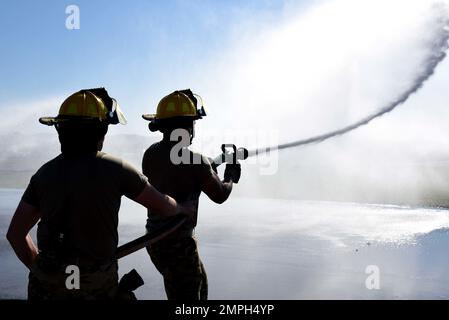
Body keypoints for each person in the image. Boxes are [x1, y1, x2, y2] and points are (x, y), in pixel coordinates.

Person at [6, 88, 195, 300]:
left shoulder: (43, 175)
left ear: (61, 131)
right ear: (101, 132)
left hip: (43, 289)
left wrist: (43, 271)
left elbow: (15, 235)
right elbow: (163, 206)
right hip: (96, 289)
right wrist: (183, 208)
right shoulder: (116, 169)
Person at [141, 89, 241, 300]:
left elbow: (178, 175)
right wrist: (230, 176)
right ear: (186, 126)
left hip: (156, 240)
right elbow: (219, 195)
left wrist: (209, 167)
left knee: (198, 286)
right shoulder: (197, 162)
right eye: (193, 123)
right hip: (178, 245)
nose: (194, 129)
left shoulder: (150, 154)